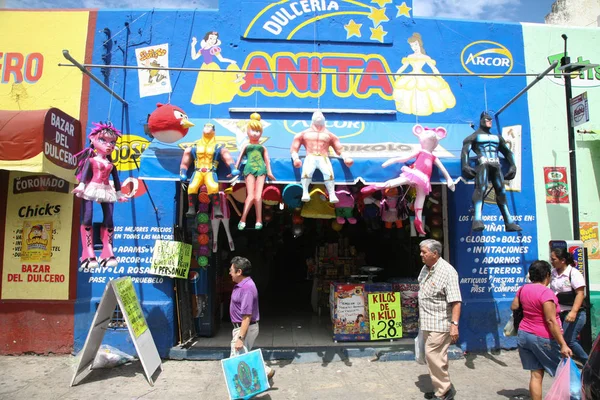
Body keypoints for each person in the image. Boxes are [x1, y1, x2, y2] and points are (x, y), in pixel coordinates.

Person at [511, 260, 573, 400]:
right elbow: (550, 321)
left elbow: (514, 307)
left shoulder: (522, 289)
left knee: (536, 374)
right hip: (543, 338)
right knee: (564, 372)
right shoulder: (547, 293)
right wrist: (563, 344)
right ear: (547, 275)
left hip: (524, 335)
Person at [73, 122, 129, 270]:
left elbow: (116, 181)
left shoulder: (111, 165)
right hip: (92, 187)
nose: (109, 145)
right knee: (87, 216)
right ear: (92, 139)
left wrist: (119, 194)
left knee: (109, 218)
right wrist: (81, 186)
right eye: (103, 140)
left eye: (112, 142)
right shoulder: (91, 161)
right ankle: (88, 252)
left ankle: (108, 250)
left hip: (106, 189)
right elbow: (85, 175)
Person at [461, 111, 522, 232]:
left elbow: (508, 152)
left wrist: (513, 166)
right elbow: (465, 152)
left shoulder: (497, 138)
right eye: (487, 119)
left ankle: (509, 222)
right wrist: (465, 165)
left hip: (496, 164)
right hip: (483, 163)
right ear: (481, 121)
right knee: (480, 189)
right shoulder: (473, 137)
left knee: (501, 192)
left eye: (490, 120)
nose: (489, 121)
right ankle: (477, 220)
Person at [418, 239, 462, 400]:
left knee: (434, 356)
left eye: (424, 252)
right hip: (427, 321)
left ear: (435, 254)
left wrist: (454, 325)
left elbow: (456, 301)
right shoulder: (425, 268)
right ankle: (441, 388)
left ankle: (444, 391)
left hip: (440, 323)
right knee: (433, 357)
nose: (421, 255)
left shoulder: (448, 272)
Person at [290, 111, 353, 204]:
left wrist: (346, 157)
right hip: (310, 156)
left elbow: (339, 148)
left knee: (329, 173)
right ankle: (305, 192)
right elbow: (294, 149)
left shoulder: (330, 135)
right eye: (316, 114)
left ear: (324, 119)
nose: (319, 116)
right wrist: (295, 158)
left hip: (323, 157)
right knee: (307, 172)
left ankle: (332, 193)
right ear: (312, 119)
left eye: (321, 115)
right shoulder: (303, 134)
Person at [229, 256, 275, 383]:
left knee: (236, 358)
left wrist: (240, 338)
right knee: (243, 355)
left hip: (244, 328)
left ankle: (241, 391)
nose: (229, 273)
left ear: (239, 272)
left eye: (231, 270)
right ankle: (266, 371)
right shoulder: (241, 285)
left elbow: (247, 316)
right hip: (241, 327)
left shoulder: (247, 288)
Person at [180, 123, 240, 217]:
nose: (207, 128)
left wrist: (233, 168)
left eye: (210, 127)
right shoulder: (194, 146)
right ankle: (191, 209)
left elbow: (227, 156)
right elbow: (185, 160)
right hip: (198, 170)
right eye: (205, 126)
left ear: (214, 131)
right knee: (192, 187)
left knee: (213, 187)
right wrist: (183, 172)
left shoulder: (218, 146)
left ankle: (217, 210)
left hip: (210, 171)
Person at [393, 33, 456, 116]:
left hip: (422, 76)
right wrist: (397, 75)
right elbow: (404, 67)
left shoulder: (425, 57)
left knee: (424, 94)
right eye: (412, 46)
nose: (414, 47)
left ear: (419, 44)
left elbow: (433, 68)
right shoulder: (410, 56)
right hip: (411, 77)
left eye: (415, 44)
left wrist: (440, 77)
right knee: (410, 95)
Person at [235, 113, 275, 230]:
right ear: (247, 131)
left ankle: (259, 220)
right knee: (250, 195)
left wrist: (269, 172)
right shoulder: (246, 146)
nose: (255, 133)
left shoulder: (263, 148)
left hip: (261, 170)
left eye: (258, 131)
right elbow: (239, 158)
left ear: (261, 133)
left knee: (258, 196)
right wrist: (235, 169)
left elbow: (267, 160)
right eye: (253, 130)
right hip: (249, 169)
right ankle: (243, 219)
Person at [549, 247, 588, 364]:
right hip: (559, 313)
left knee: (569, 340)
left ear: (562, 260)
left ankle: (589, 363)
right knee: (560, 339)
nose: (551, 261)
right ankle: (565, 364)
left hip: (574, 313)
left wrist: (573, 312)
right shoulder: (553, 274)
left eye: (554, 259)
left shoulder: (573, 273)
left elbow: (580, 293)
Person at [190, 31, 244, 105]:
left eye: (214, 39)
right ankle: (207, 99)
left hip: (212, 67)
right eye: (211, 38)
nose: (212, 41)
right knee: (204, 85)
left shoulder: (214, 49)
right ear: (206, 39)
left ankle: (234, 80)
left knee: (217, 84)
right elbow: (194, 57)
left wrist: (231, 61)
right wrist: (193, 46)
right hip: (204, 69)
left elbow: (221, 59)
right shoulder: (202, 50)